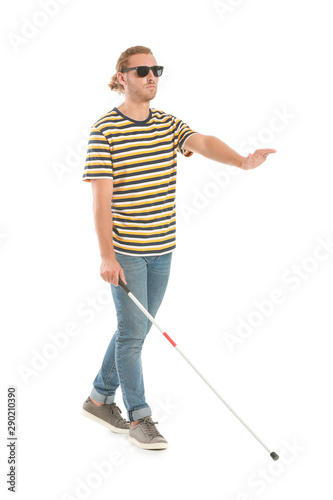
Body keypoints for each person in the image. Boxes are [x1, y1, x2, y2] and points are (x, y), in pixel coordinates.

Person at [81, 45, 276, 450]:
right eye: (141, 71)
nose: (151, 76)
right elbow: (102, 201)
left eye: (156, 69)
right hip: (128, 251)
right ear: (121, 77)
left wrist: (241, 161)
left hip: (164, 248)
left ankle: (100, 397)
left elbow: (202, 141)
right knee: (133, 336)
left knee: (135, 329)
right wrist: (106, 255)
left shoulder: (167, 124)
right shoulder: (105, 130)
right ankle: (140, 418)